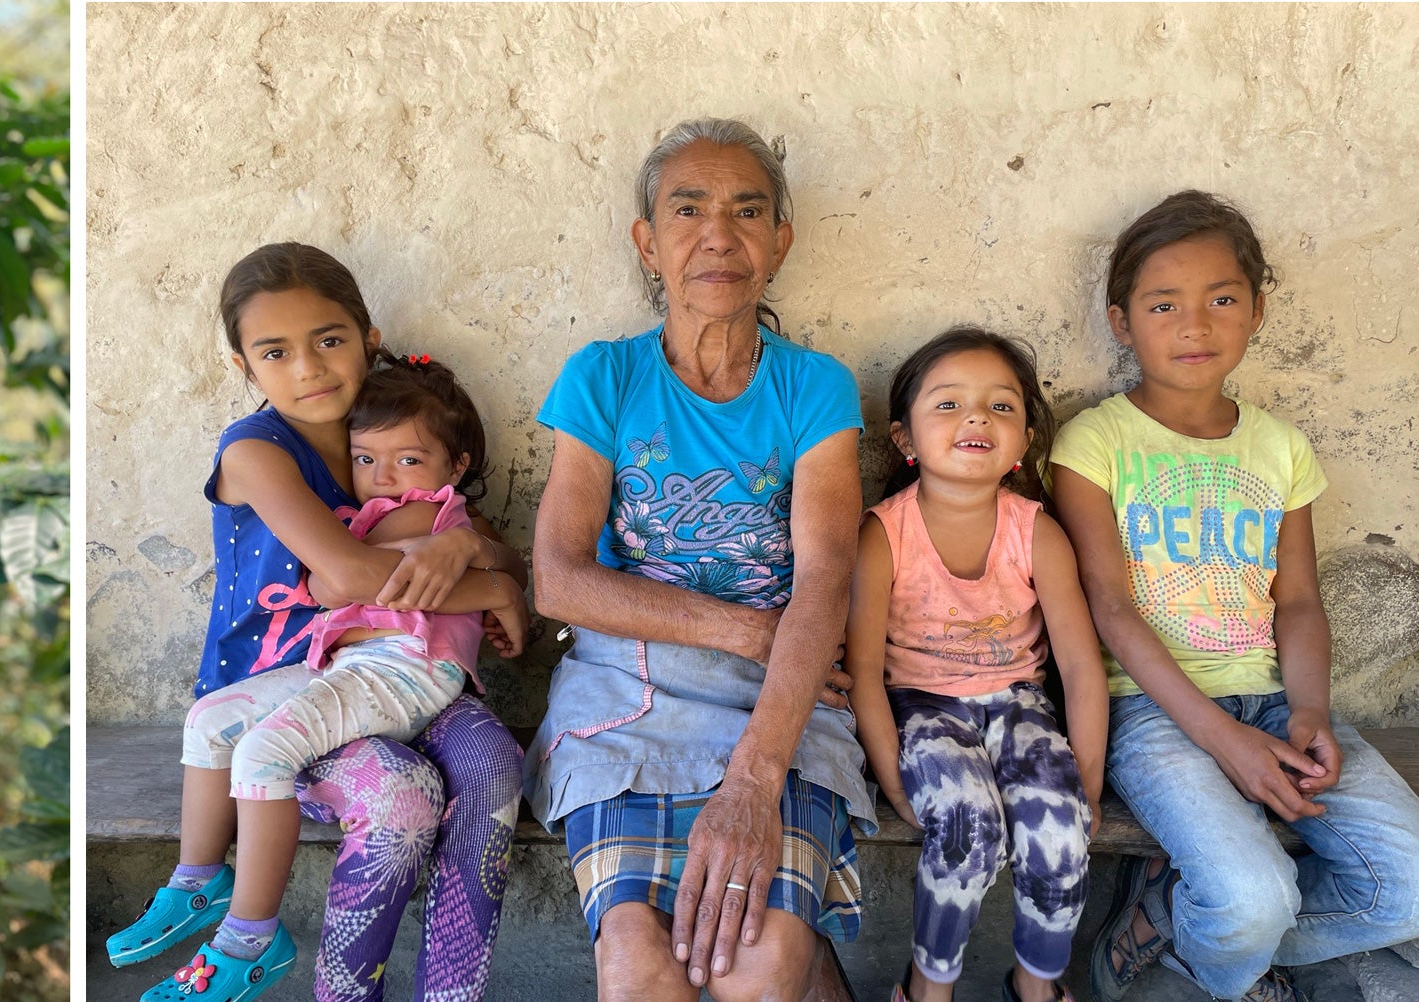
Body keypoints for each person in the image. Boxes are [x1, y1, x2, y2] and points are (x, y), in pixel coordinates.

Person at [106, 242, 527, 1002]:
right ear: (243, 365)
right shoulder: (257, 452)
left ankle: (452, 993)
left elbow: (495, 548)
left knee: (495, 762)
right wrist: (492, 589)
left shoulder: (395, 433)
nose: (308, 368)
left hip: (399, 679)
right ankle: (314, 977)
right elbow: (355, 578)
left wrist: (472, 551)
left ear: (367, 338)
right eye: (276, 352)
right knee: (399, 795)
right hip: (287, 694)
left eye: (329, 341)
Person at [524, 117, 866, 1002]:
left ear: (779, 244)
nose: (719, 235)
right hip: (627, 689)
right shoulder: (604, 377)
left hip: (781, 694)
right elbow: (560, 580)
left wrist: (756, 778)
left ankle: (809, 957)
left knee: (759, 970)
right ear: (648, 242)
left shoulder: (815, 386)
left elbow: (827, 578)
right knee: (639, 971)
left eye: (748, 212)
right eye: (688, 209)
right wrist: (741, 627)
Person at [1054, 190, 1419, 1002]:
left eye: (1222, 299)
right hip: (1154, 714)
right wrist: (1222, 738)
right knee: (1253, 898)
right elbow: (1109, 608)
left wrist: (1312, 713)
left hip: (1274, 702)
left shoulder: (1281, 447)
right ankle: (1231, 943)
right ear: (1122, 322)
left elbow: (1297, 603)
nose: (1195, 325)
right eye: (1164, 304)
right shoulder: (1096, 441)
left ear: (1256, 311)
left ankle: (1171, 937)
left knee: (1411, 886)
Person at [845, 328, 1107, 1002]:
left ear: (1022, 442)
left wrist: (1090, 784)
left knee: (1057, 826)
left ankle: (1037, 984)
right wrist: (889, 774)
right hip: (919, 705)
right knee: (967, 826)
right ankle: (929, 987)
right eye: (949, 404)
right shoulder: (883, 535)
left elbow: (1079, 666)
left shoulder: (1037, 532)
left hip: (1019, 702)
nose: (975, 418)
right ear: (905, 440)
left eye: (1000, 407)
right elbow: (865, 672)